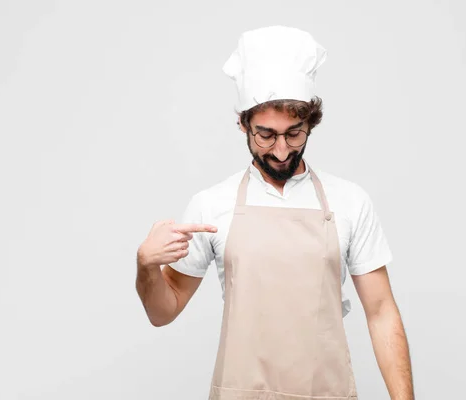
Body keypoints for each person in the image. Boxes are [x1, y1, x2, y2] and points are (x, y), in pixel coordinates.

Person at [136, 26, 414, 400]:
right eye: (266, 135)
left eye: (294, 133)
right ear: (243, 124)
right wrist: (146, 266)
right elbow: (162, 312)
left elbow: (381, 312)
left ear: (310, 124)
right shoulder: (211, 205)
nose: (282, 151)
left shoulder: (349, 201)